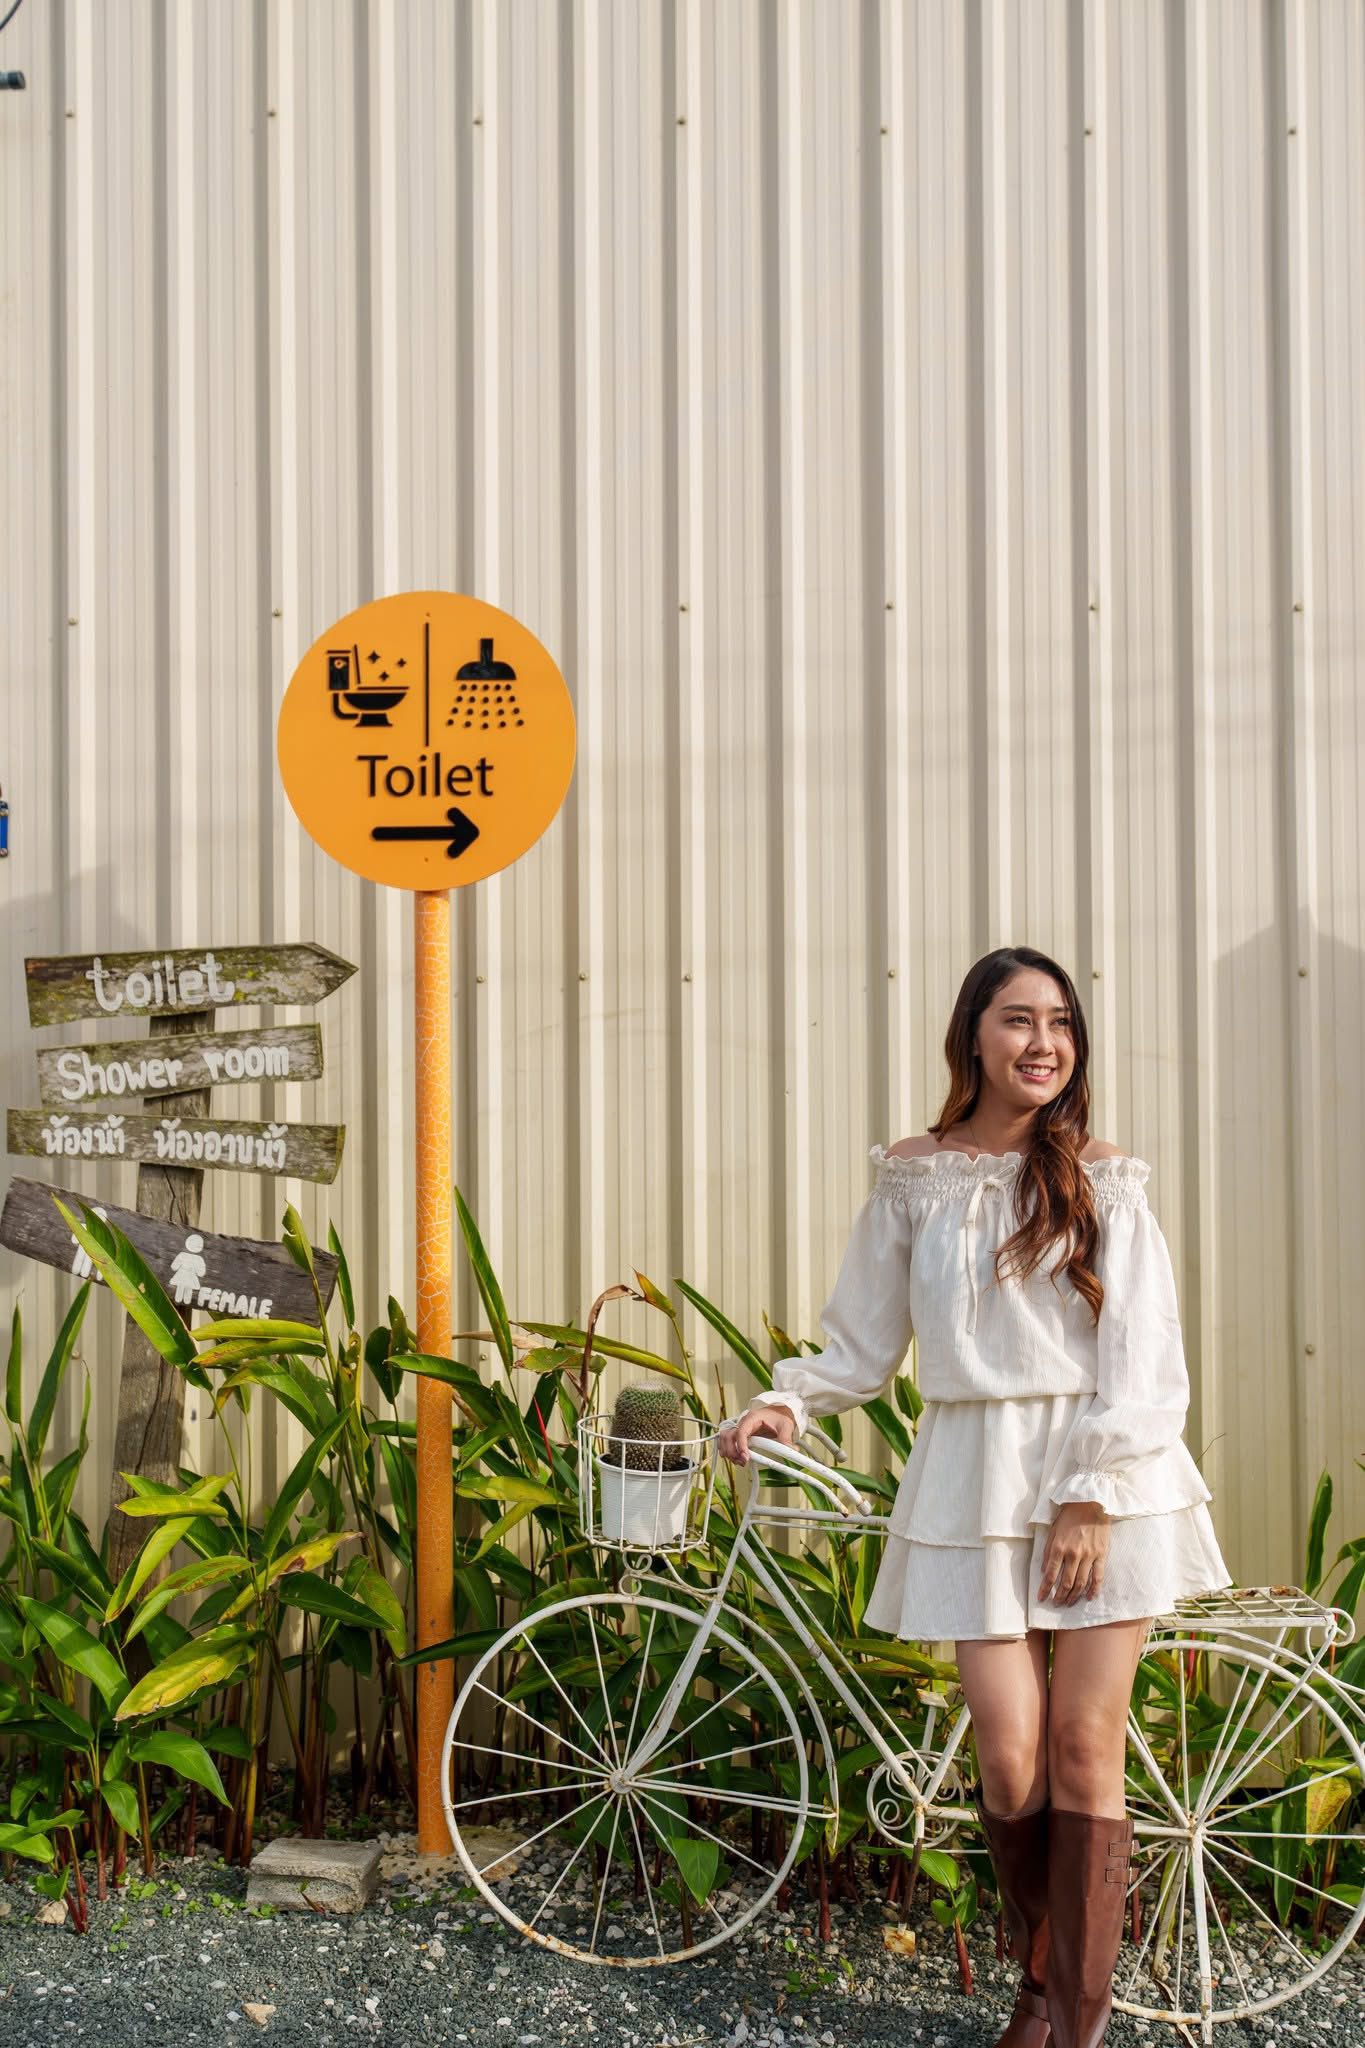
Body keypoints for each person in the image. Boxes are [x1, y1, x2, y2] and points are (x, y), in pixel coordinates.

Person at [717, 946, 1232, 2048]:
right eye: (1017, 1019)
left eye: (1061, 1022)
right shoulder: (914, 1175)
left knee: (1085, 1747)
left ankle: (1065, 2020)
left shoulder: (1105, 1176)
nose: (1043, 1042)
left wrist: (1090, 1493)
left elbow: (1146, 1359)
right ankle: (1045, 1970)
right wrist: (787, 1403)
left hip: (1105, 1474)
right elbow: (860, 1341)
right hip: (972, 1472)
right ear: (972, 1035)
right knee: (1008, 1757)